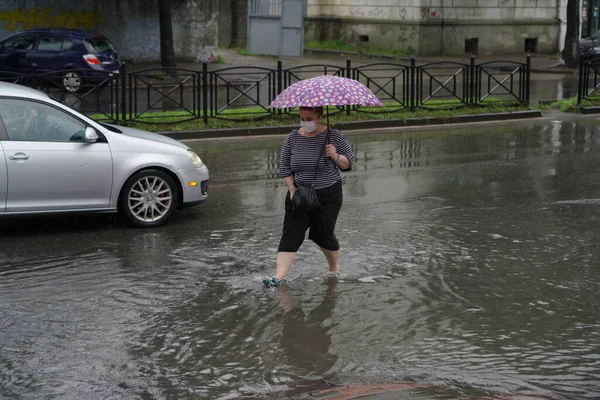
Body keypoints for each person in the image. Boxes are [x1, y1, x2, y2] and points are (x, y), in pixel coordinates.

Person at [263, 106, 355, 287]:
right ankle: (278, 276)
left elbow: (348, 163)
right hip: (299, 194)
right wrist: (292, 190)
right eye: (302, 118)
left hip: (328, 193)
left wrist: (334, 155)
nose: (305, 122)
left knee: (323, 234)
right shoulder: (292, 138)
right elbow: (285, 168)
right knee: (291, 233)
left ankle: (334, 267)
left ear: (320, 117)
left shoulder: (334, 136)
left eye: (309, 118)